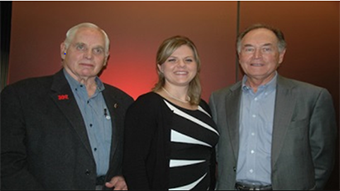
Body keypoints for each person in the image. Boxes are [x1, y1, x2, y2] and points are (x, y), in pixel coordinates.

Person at [0, 22, 133, 190]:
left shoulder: (123, 102)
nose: (89, 56)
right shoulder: (22, 95)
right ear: (64, 49)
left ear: (106, 58)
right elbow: (6, 162)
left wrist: (124, 176)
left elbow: (133, 156)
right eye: (80, 47)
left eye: (97, 50)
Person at [209, 23, 337, 190]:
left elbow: (323, 158)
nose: (257, 56)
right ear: (239, 56)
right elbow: (216, 153)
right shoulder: (220, 99)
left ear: (281, 55)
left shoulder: (312, 97)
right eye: (249, 49)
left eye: (266, 49)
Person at [123, 36, 219, 190]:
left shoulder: (203, 107)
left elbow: (209, 160)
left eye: (188, 60)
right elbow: (134, 165)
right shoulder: (147, 105)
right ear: (160, 67)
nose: (181, 65)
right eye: (172, 60)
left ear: (197, 66)